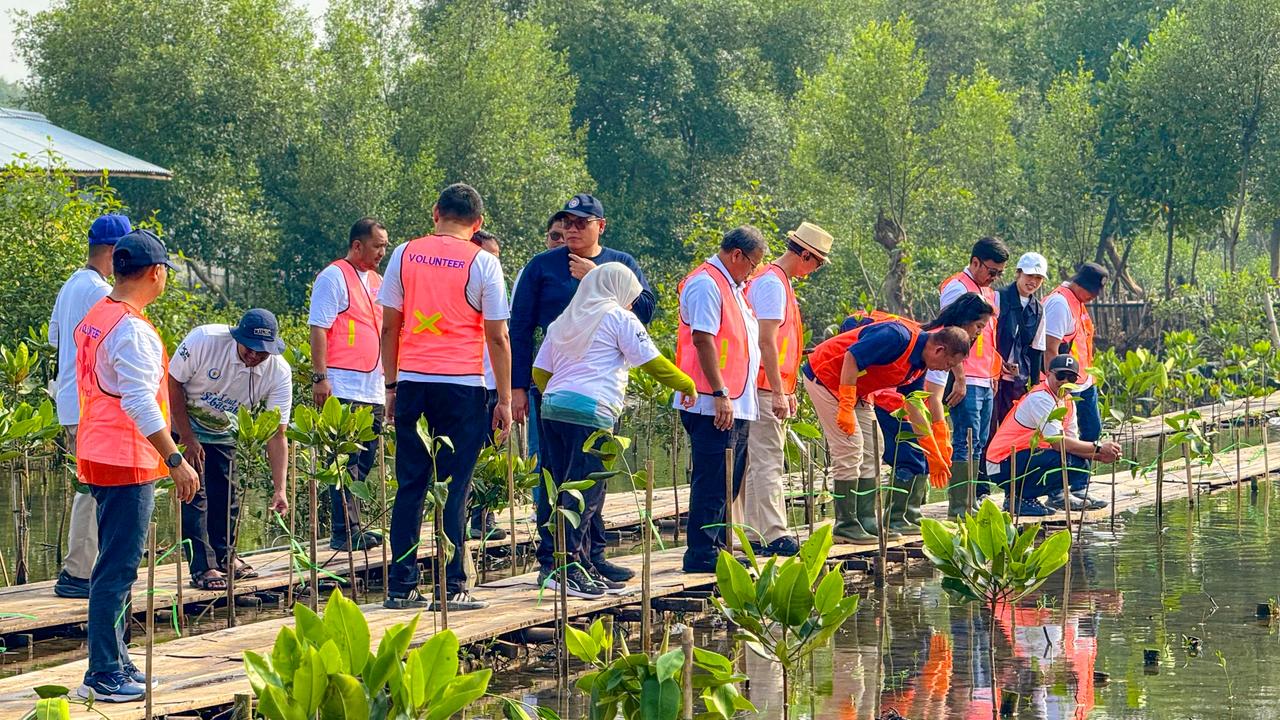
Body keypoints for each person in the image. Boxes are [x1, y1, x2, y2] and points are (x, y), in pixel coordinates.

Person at [73, 230, 199, 702]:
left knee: (117, 563)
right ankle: (103, 672)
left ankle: (119, 661)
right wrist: (176, 459)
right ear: (155, 273)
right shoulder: (133, 330)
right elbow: (140, 403)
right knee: (117, 568)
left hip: (98, 451)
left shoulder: (98, 315)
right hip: (126, 458)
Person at [510, 193, 656, 583]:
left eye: (581, 223)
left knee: (593, 475)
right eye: (567, 223)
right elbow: (520, 328)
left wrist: (594, 276)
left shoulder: (620, 264)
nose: (572, 229)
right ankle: (552, 560)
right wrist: (517, 387)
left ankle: (592, 555)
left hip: (600, 392)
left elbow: (646, 313)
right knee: (553, 474)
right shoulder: (541, 267)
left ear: (600, 227)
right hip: (552, 386)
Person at [379, 183, 511, 611]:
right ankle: (453, 587)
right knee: (456, 487)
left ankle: (400, 588)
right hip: (463, 386)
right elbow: (498, 337)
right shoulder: (484, 263)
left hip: (413, 383)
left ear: (435, 212)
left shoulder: (403, 254)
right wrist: (505, 400)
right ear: (479, 224)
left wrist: (391, 385)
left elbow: (389, 327)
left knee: (410, 485)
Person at [532, 264, 696, 596]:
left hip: (552, 408)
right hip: (592, 412)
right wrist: (688, 384)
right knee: (585, 493)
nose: (631, 304)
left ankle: (561, 563)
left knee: (559, 486)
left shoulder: (563, 321)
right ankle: (567, 568)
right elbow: (652, 362)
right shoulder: (619, 318)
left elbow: (539, 371)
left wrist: (561, 396)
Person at [803, 315, 971, 543]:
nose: (944, 371)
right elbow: (852, 357)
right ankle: (845, 524)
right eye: (948, 365)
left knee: (875, 446)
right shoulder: (896, 336)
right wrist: (845, 403)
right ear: (939, 350)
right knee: (850, 448)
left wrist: (933, 448)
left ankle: (866, 519)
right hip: (826, 378)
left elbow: (913, 404)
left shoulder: (918, 365)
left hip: (860, 390)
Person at [846, 294, 995, 534]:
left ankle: (908, 515)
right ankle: (897, 517)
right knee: (911, 455)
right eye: (979, 326)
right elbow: (931, 397)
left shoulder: (949, 346)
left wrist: (938, 436)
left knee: (919, 455)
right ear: (965, 322)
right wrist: (936, 437)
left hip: (908, 403)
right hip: (892, 401)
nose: (979, 333)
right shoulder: (940, 344)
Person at [169, 310, 292, 590]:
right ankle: (203, 567)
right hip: (183, 419)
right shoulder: (206, 340)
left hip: (224, 429)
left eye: (262, 353)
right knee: (194, 494)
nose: (254, 357)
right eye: (249, 349)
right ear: (238, 337)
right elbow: (172, 382)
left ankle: (225, 558)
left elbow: (277, 432)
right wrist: (187, 438)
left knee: (226, 494)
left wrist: (280, 488)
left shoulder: (279, 371)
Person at [674, 226, 765, 573]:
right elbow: (703, 339)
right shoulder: (706, 282)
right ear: (736, 255)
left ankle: (719, 545)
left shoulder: (734, 287)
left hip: (737, 400)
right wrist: (720, 393)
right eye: (753, 264)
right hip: (711, 400)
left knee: (730, 477)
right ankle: (701, 552)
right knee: (712, 477)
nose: (754, 272)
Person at [49, 213, 130, 599]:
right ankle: (78, 573)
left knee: (89, 485)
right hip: (89, 404)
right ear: (114, 253)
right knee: (93, 488)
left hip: (69, 400)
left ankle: (80, 569)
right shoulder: (99, 293)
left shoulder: (71, 285)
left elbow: (54, 338)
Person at [740, 222, 831, 556]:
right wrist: (779, 391)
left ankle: (755, 533)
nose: (815, 269)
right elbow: (766, 340)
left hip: (769, 384)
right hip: (765, 385)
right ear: (804, 254)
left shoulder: (779, 282)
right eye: (817, 262)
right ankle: (773, 532)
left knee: (758, 461)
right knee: (768, 460)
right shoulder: (772, 284)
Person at [309, 217, 389, 552]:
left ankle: (353, 524)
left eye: (385, 246)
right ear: (357, 245)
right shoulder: (334, 276)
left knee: (365, 460)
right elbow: (318, 328)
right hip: (342, 384)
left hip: (373, 384)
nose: (382, 252)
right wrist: (320, 377)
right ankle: (345, 531)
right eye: (377, 245)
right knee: (344, 461)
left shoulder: (377, 281)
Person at [927, 236, 1009, 517]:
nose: (994, 277)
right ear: (975, 262)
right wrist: (958, 376)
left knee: (980, 439)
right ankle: (959, 506)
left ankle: (971, 500)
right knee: (966, 437)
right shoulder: (957, 287)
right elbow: (949, 333)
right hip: (965, 376)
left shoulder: (987, 292)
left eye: (1000, 273)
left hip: (984, 376)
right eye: (991, 271)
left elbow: (989, 336)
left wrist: (995, 371)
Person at [986, 356, 1120, 516]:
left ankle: (1033, 496)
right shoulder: (1041, 398)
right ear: (1048, 374)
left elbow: (1072, 443)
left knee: (1079, 463)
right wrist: (1099, 449)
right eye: (1060, 376)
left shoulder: (1068, 402)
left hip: (1026, 456)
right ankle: (1020, 499)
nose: (1064, 382)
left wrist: (1099, 456)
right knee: (1065, 460)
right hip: (1002, 463)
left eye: (1070, 378)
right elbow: (1058, 444)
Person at [1042, 262, 1110, 510]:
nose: (1093, 298)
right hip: (1067, 383)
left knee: (1091, 431)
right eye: (1092, 292)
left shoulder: (1077, 302)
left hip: (1084, 381)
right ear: (1081, 285)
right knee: (1067, 436)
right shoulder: (1060, 303)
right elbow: (1051, 348)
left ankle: (1080, 486)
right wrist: (1058, 386)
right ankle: (1060, 491)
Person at [468, 229, 507, 542]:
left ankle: (485, 517)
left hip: (494, 383)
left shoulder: (494, 289)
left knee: (492, 454)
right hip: (470, 382)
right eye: (490, 257)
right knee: (470, 454)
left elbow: (502, 338)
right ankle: (469, 518)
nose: (495, 264)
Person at [992, 252, 1047, 430]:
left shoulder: (1038, 309)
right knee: (989, 427)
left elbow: (1037, 349)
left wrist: (1034, 386)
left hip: (1017, 379)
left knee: (1011, 427)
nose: (1033, 281)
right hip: (993, 375)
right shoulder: (998, 297)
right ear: (1018, 273)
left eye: (1038, 278)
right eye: (1030, 275)